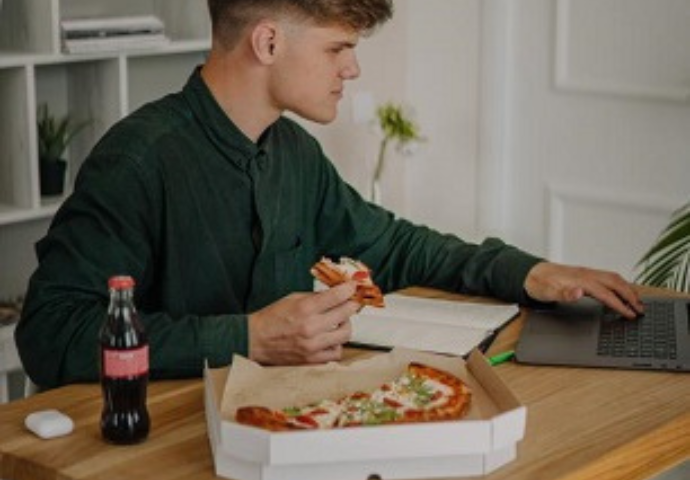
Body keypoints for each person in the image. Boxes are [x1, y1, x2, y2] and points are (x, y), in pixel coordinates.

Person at [16, 0, 643, 389]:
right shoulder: (138, 160)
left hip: (272, 426)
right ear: (268, 43)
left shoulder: (293, 151)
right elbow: (50, 331)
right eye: (338, 47)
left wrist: (532, 272)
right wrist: (247, 336)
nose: (353, 69)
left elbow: (394, 245)